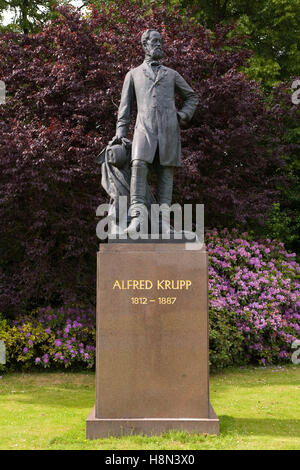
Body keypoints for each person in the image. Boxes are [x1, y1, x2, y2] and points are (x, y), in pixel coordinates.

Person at [110, 29, 198, 234]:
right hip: (144, 130)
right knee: (139, 168)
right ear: (145, 45)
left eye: (160, 41)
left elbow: (192, 97)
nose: (159, 45)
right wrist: (121, 133)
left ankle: (163, 223)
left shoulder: (172, 74)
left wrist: (181, 115)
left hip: (169, 131)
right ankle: (137, 220)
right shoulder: (132, 75)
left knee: (166, 173)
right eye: (154, 41)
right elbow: (125, 108)